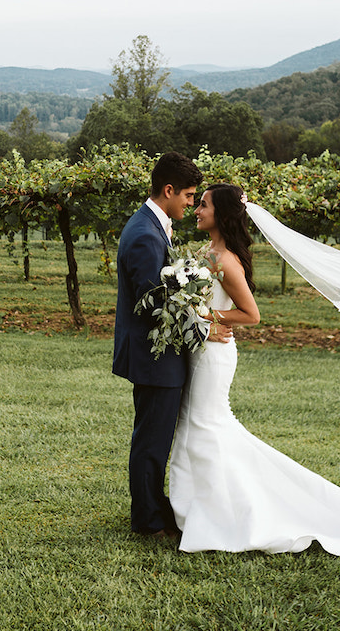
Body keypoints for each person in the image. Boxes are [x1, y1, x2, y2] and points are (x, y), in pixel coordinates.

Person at [169, 183, 340, 555]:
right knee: (194, 426)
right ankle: (194, 509)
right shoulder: (207, 252)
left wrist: (205, 316)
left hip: (215, 355)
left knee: (206, 427)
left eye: (203, 205)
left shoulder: (226, 260)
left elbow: (251, 314)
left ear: (221, 213)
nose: (197, 210)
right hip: (202, 349)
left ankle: (225, 514)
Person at [113, 152, 229, 539]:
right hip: (153, 356)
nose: (191, 204)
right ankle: (147, 522)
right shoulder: (146, 234)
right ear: (168, 190)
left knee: (156, 437)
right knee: (151, 440)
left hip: (157, 356)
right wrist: (203, 330)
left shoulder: (151, 226)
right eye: (189, 195)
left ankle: (155, 508)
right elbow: (153, 305)